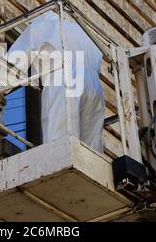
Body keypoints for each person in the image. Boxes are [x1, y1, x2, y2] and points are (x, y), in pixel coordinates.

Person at [7, 11, 105, 152]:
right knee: (91, 147)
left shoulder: (43, 25)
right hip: (94, 87)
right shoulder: (82, 33)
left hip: (64, 78)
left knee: (59, 143)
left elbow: (13, 62)